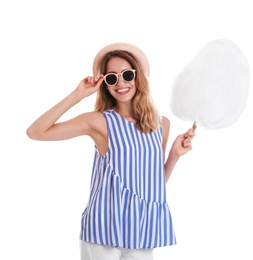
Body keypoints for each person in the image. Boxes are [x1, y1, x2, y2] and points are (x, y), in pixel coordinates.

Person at [26, 43, 196, 260]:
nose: (121, 83)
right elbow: (35, 131)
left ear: (138, 78)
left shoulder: (161, 124)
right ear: (105, 84)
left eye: (127, 75)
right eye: (112, 78)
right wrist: (78, 94)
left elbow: (153, 183)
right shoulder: (99, 121)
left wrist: (174, 155)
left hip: (141, 231)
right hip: (102, 230)